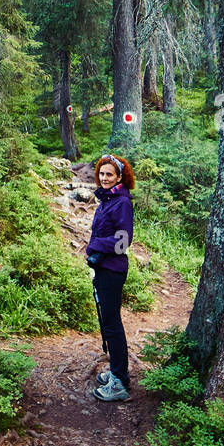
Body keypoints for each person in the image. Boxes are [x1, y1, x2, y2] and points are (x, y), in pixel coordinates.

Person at [85, 154, 135, 402]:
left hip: (113, 270)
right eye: (101, 174)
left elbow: (124, 241)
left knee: (113, 325)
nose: (104, 178)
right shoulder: (107, 200)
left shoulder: (121, 202)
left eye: (109, 175)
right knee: (109, 323)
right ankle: (118, 374)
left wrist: (96, 245)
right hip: (104, 267)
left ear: (119, 177)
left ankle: (119, 381)